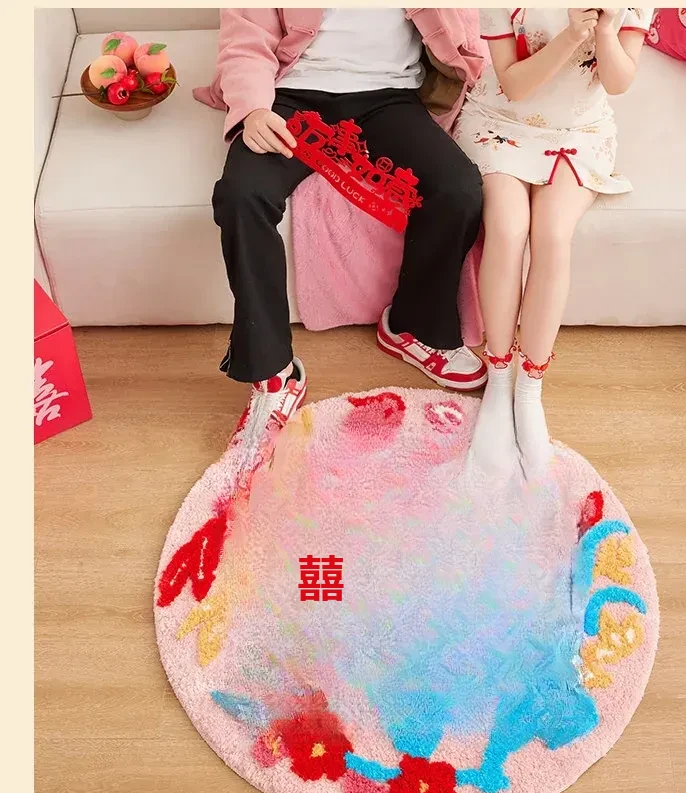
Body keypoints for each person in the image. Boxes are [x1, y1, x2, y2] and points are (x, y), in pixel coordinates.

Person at [199, 8, 489, 431]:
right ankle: (272, 368)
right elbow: (246, 38)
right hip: (290, 94)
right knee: (241, 195)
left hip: (389, 97)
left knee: (458, 189)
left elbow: (460, 30)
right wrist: (254, 110)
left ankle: (414, 327)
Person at [454, 7, 653, 478]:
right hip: (499, 124)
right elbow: (514, 86)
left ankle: (529, 389)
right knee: (507, 229)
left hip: (578, 134)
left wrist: (605, 29)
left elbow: (619, 82)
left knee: (552, 234)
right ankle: (499, 378)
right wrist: (571, 34)